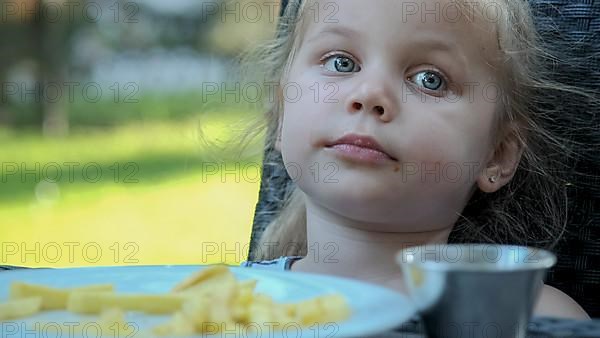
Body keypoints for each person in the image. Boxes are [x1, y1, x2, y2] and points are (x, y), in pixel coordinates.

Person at [236, 0, 596, 319]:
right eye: (342, 62)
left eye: (429, 80)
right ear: (281, 115)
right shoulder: (228, 301)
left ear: (497, 155)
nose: (370, 94)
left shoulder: (525, 316)